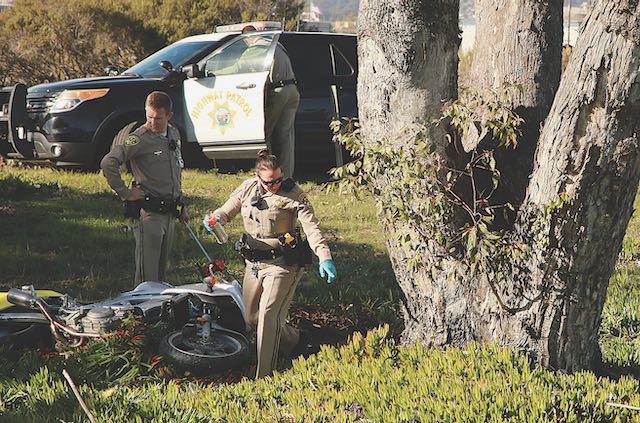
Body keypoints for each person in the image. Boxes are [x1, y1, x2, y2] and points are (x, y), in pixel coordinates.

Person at [204, 150, 337, 378]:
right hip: (254, 264)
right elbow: (228, 209)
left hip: (283, 264)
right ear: (258, 178)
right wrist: (215, 219)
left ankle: (264, 376)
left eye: (278, 179)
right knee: (251, 318)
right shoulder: (247, 188)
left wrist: (324, 256)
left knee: (267, 316)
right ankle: (297, 341)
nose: (274, 185)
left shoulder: (293, 194)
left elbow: (312, 227)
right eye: (268, 182)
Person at [101, 91, 189, 284]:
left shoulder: (173, 133)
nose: (152, 123)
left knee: (161, 276)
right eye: (148, 117)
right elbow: (109, 162)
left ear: (169, 116)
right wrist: (125, 193)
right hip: (149, 214)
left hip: (170, 212)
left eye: (157, 118)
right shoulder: (139, 138)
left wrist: (181, 204)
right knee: (146, 277)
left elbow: (175, 171)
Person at [242, 25, 300, 179]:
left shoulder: (258, 46)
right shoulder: (276, 44)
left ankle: (265, 173)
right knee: (286, 136)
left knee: (264, 134)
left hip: (277, 91)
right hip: (292, 89)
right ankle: (286, 176)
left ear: (248, 37)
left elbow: (239, 65)